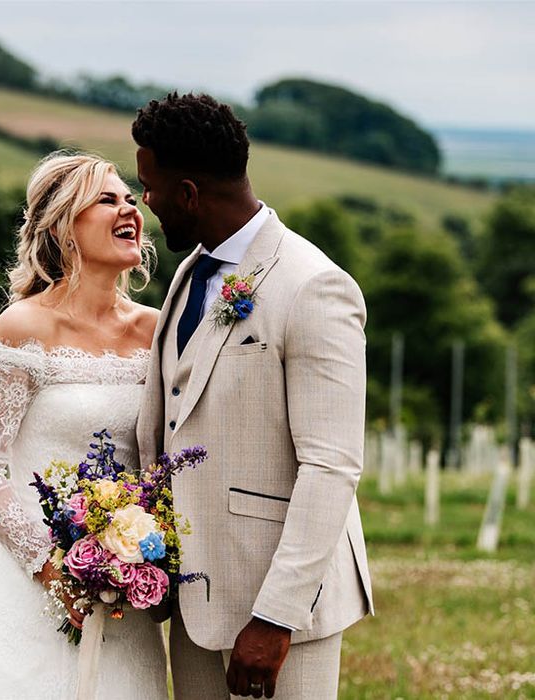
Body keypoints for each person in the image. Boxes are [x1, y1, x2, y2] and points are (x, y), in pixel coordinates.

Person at [133, 93, 374, 699]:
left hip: (281, 611)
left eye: (150, 186)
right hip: (195, 598)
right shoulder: (189, 274)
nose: (145, 201)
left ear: (188, 192)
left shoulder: (314, 285)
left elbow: (331, 465)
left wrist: (275, 619)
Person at [0, 152, 168, 699]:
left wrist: (138, 559)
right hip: (34, 582)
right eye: (106, 199)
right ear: (64, 224)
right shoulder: (23, 326)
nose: (128, 207)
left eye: (130, 198)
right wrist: (54, 570)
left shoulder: (158, 330)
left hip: (128, 586)